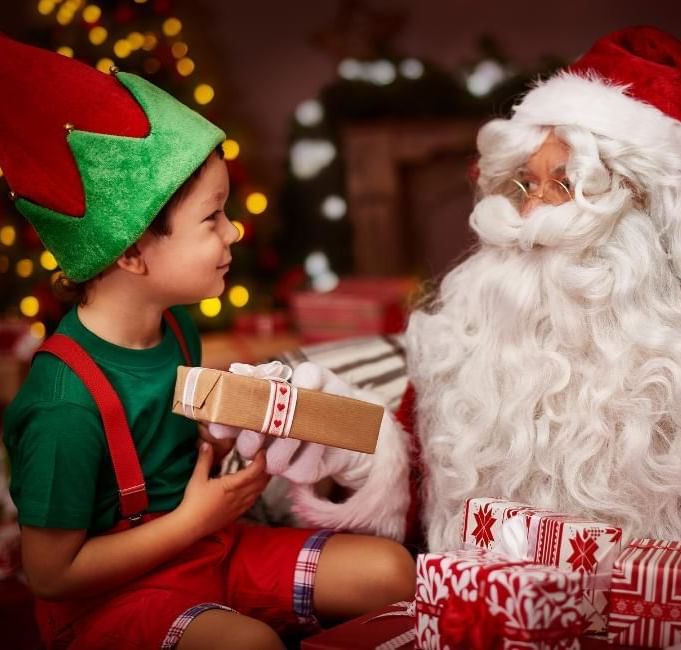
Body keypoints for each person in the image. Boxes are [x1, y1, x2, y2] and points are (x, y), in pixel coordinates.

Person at [268, 27, 681, 649]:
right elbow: (410, 510)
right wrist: (359, 461)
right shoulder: (471, 336)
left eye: (575, 185)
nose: (535, 218)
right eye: (525, 186)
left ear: (669, 217)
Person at [0, 35, 414, 650]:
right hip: (115, 597)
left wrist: (236, 423)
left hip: (215, 546)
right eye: (212, 217)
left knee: (391, 571)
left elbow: (176, 444)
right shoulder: (64, 404)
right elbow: (51, 574)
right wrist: (195, 517)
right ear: (135, 253)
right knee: (248, 645)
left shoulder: (174, 326)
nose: (233, 231)